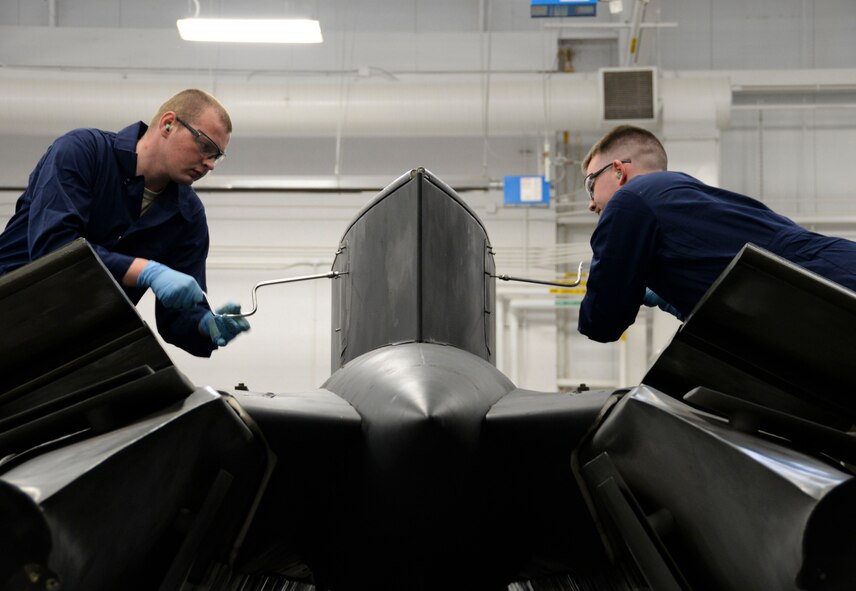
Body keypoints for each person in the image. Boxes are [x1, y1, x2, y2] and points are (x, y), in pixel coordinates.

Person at [0, 88, 250, 356]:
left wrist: (205, 325)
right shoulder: (83, 152)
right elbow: (53, 249)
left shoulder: (188, 217)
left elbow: (176, 320)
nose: (210, 164)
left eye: (216, 156)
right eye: (206, 146)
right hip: (10, 313)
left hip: (73, 349)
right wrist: (147, 271)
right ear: (168, 124)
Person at [579, 124, 856, 343]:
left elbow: (602, 322)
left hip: (828, 286)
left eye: (591, 184)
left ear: (618, 170)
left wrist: (606, 282)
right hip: (832, 279)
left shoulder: (630, 199)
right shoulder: (682, 195)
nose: (591, 203)